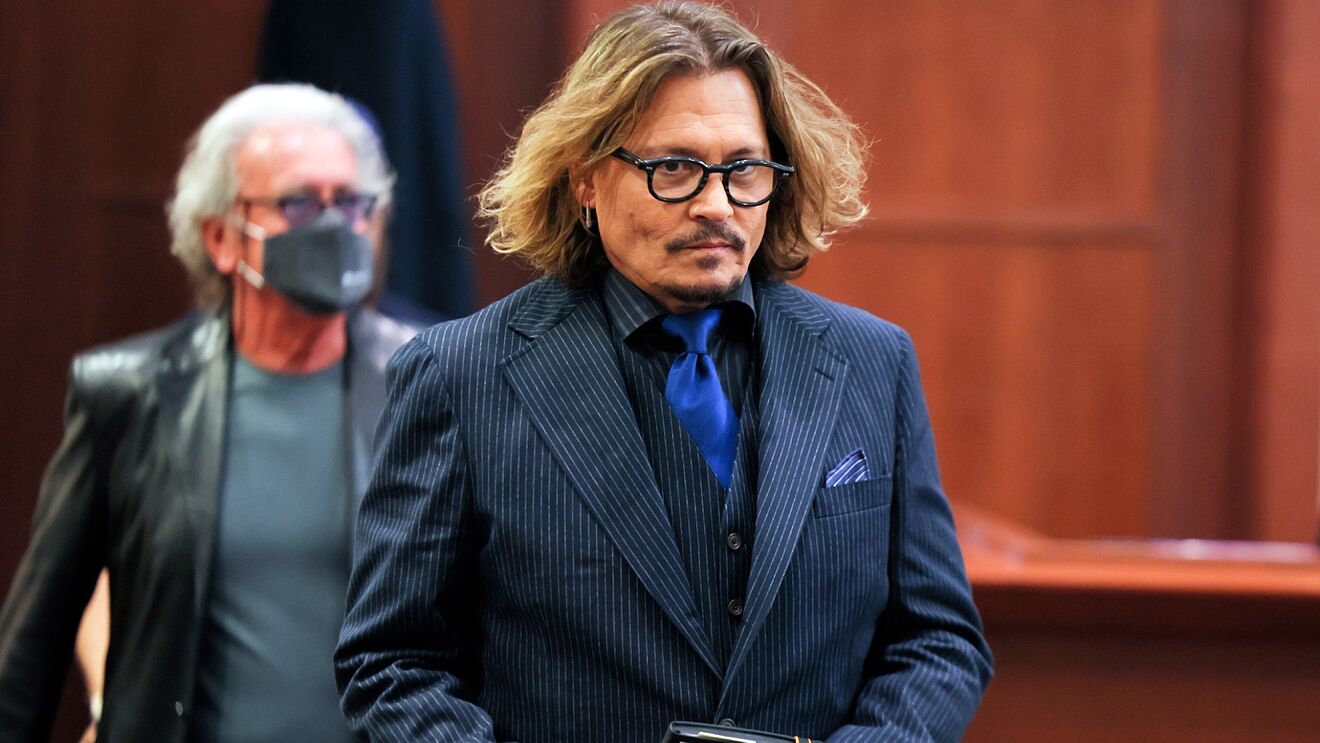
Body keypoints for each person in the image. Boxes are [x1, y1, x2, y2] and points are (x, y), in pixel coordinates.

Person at [335, 3, 993, 741]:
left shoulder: (873, 361)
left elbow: (937, 640)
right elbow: (393, 662)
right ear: (585, 178)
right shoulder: (459, 375)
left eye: (744, 169)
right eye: (674, 168)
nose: (716, 205)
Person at [0, 83, 418, 742]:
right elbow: (33, 644)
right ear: (222, 237)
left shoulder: (427, 385)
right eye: (300, 203)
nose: (335, 225)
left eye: (351, 201)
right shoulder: (130, 396)